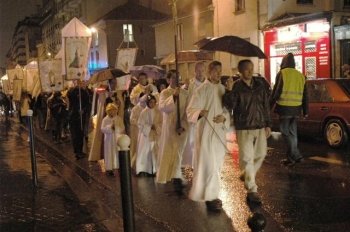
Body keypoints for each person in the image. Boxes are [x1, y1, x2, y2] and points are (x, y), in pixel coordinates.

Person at [223, 59, 272, 205]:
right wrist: (229, 91)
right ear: (240, 71)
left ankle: (246, 173)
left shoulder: (259, 85)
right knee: (247, 158)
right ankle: (252, 190)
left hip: (259, 126)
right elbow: (229, 105)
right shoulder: (236, 87)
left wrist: (268, 124)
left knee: (261, 154)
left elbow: (265, 105)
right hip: (244, 127)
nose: (250, 71)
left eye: (251, 68)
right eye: (246, 69)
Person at [186, 61, 230, 211]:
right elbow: (190, 110)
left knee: (216, 165)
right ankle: (212, 198)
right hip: (205, 133)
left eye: (220, 70)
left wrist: (224, 117)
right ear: (209, 72)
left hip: (219, 133)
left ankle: (210, 193)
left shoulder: (223, 90)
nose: (218, 73)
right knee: (209, 164)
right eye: (216, 70)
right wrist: (199, 113)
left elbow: (227, 110)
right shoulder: (201, 90)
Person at [270, 53, 308, 166]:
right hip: (296, 110)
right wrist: (305, 111)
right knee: (293, 133)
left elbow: (276, 92)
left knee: (285, 132)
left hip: (285, 108)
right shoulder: (301, 75)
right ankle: (291, 158)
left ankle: (296, 155)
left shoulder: (282, 73)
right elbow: (306, 95)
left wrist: (268, 106)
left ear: (283, 62)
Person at [156, 70, 189, 186]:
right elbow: (162, 107)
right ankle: (170, 175)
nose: (176, 79)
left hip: (181, 126)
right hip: (169, 126)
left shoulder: (185, 93)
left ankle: (177, 175)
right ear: (168, 79)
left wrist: (183, 125)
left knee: (179, 151)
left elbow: (187, 111)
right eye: (173, 77)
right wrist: (174, 97)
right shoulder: (165, 93)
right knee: (169, 150)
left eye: (178, 77)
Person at [182, 62, 206, 168]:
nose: (200, 73)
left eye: (202, 70)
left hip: (206, 118)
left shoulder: (208, 84)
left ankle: (204, 163)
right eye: (198, 71)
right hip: (194, 118)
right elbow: (183, 97)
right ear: (195, 71)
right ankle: (195, 165)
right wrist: (185, 86)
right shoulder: (190, 84)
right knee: (193, 142)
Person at [136, 94, 162, 176]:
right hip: (146, 136)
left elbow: (161, 123)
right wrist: (150, 127)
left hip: (156, 135)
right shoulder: (144, 112)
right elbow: (140, 124)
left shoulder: (158, 112)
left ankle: (155, 169)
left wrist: (157, 127)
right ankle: (144, 169)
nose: (152, 104)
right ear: (148, 103)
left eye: (154, 102)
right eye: (151, 102)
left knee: (155, 151)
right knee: (145, 151)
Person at [67, 80, 90, 160]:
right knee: (75, 134)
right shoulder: (72, 91)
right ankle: (77, 151)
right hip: (73, 115)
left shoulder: (84, 92)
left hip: (81, 116)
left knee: (80, 133)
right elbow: (70, 98)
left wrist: (83, 110)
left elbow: (87, 103)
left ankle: (79, 150)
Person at [101, 103, 125, 176]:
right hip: (108, 139)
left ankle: (118, 166)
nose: (113, 112)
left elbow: (122, 128)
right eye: (111, 111)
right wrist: (110, 128)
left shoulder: (119, 118)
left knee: (117, 152)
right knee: (109, 153)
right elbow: (102, 129)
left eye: (114, 110)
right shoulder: (105, 119)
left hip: (117, 138)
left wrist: (116, 128)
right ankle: (109, 168)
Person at [129, 93, 147, 167]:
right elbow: (132, 119)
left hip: (144, 130)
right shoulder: (136, 108)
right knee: (135, 146)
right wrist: (139, 124)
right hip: (136, 130)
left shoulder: (147, 108)